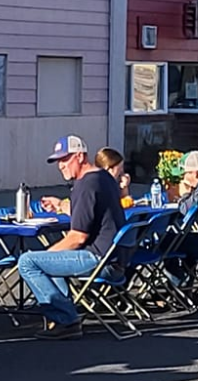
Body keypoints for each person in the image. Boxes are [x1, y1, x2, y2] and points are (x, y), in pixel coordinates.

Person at [16, 136, 125, 340]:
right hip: (116, 258)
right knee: (51, 260)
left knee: (28, 262)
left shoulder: (86, 185)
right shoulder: (103, 177)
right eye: (58, 161)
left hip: (98, 259)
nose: (61, 165)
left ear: (80, 156)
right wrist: (61, 205)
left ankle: (66, 319)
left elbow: (77, 238)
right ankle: (65, 313)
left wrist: (45, 255)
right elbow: (92, 213)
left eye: (65, 159)